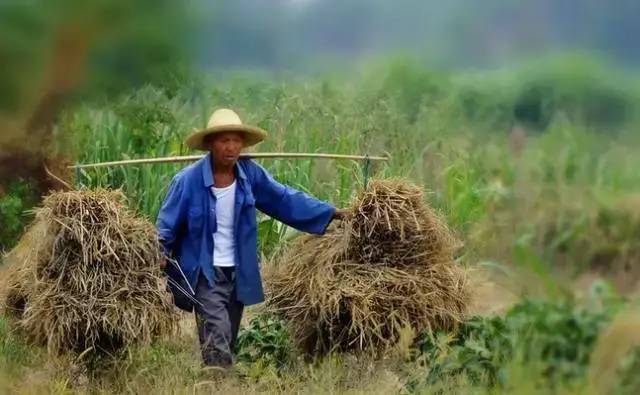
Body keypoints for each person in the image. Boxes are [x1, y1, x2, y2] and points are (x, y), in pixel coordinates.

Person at [156, 108, 348, 368]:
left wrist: (330, 212)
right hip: (204, 272)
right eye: (224, 141)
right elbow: (166, 226)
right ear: (211, 144)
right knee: (216, 331)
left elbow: (283, 199)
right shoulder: (188, 181)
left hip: (238, 270)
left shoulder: (250, 176)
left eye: (236, 141)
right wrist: (159, 252)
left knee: (229, 335)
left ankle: (217, 377)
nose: (231, 147)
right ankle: (218, 382)